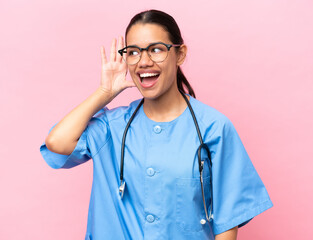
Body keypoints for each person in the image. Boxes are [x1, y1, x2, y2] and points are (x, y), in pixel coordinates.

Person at [40, 9, 273, 240]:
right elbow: (57, 142)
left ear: (180, 54)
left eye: (156, 49)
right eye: (133, 52)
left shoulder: (213, 129)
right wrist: (104, 93)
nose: (144, 61)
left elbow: (227, 222)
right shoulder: (112, 126)